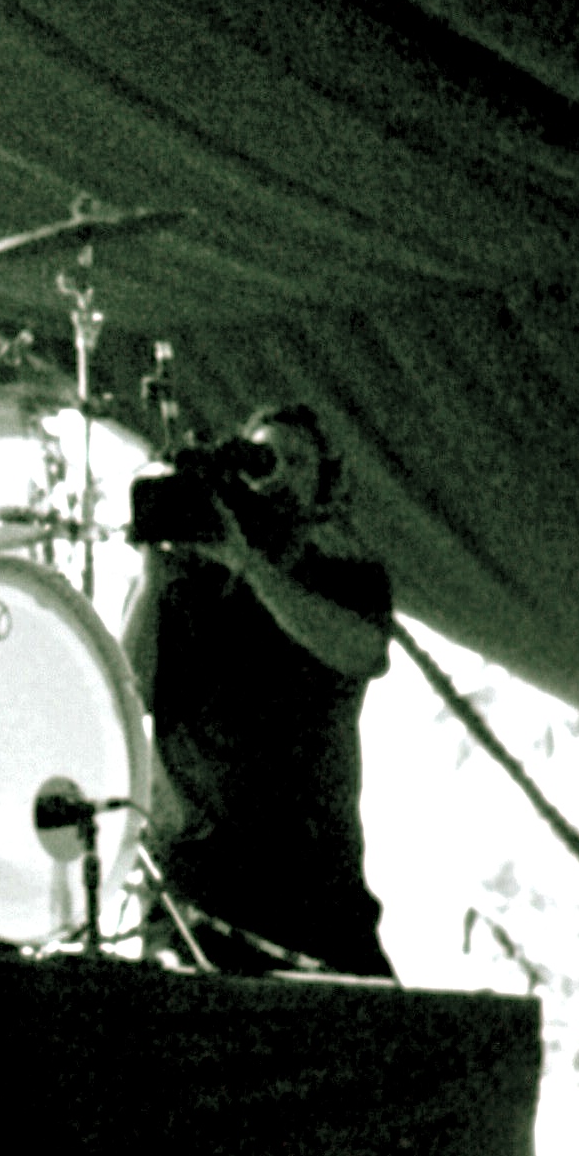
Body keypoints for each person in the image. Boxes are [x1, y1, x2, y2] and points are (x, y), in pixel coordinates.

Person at [122, 405, 396, 979]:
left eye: (296, 462)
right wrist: (151, 579)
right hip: (198, 891)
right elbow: (127, 697)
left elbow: (361, 652)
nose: (278, 476)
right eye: (263, 460)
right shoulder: (183, 587)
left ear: (323, 484)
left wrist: (248, 564)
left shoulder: (350, 580)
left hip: (315, 887)